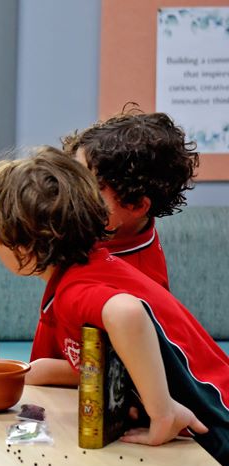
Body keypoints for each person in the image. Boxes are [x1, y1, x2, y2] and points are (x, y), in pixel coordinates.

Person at [0, 146, 228, 466]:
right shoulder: (84, 271)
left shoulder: (76, 289)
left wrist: (163, 412)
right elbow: (99, 361)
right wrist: (28, 372)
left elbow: (126, 313)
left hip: (215, 429)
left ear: (25, 245)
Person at [29, 108, 199, 368]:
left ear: (135, 206)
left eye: (92, 187)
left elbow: (128, 370)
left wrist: (41, 371)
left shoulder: (139, 281)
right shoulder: (96, 230)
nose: (73, 193)